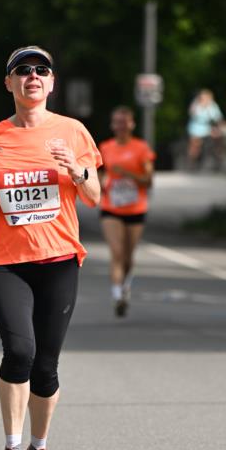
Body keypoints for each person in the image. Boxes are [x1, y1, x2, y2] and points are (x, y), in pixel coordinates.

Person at [0, 45, 101, 450]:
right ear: (9, 83)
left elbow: (96, 196)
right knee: (19, 352)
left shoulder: (73, 132)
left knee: (46, 367)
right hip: (6, 262)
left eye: (41, 70)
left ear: (51, 82)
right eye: (22, 71)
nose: (33, 76)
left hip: (59, 260)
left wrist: (76, 171)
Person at [98, 106, 155, 317]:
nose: (120, 126)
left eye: (124, 122)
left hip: (135, 208)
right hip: (111, 207)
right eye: (117, 122)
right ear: (112, 125)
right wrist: (102, 183)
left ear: (131, 124)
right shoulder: (105, 147)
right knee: (117, 253)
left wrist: (128, 174)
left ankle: (125, 287)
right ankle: (117, 296)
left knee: (129, 257)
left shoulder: (141, 148)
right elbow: (100, 174)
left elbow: (149, 180)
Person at [186, 89, 223, 168]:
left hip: (208, 127)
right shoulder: (196, 104)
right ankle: (192, 162)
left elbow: (217, 118)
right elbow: (192, 114)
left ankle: (217, 157)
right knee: (195, 144)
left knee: (218, 137)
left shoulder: (213, 105)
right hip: (196, 127)